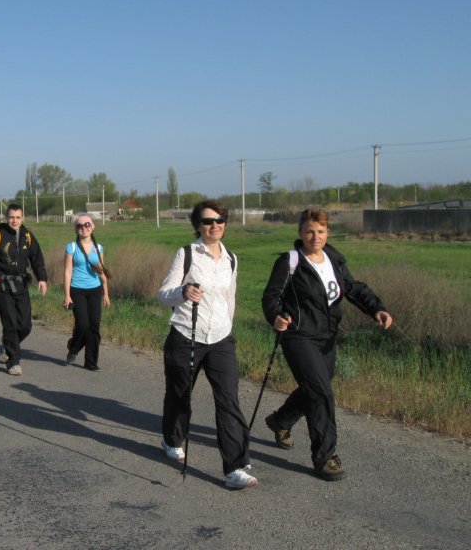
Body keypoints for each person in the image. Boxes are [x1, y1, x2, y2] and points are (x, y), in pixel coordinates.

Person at [261, 207, 393, 482]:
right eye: (310, 231)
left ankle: (281, 420)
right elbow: (271, 297)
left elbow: (352, 288)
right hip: (298, 336)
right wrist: (276, 316)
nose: (315, 236)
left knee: (315, 389)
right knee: (321, 393)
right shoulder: (290, 261)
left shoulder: (333, 258)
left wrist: (376, 308)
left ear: (327, 232)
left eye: (320, 231)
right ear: (300, 232)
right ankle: (325, 458)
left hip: (327, 336)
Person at [157, 200, 258, 490]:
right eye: (208, 221)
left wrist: (228, 328)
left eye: (220, 220)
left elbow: (230, 298)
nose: (215, 226)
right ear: (198, 226)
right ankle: (172, 439)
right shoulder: (187, 254)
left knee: (229, 401)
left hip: (221, 339)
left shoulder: (231, 259)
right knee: (180, 395)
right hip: (186, 335)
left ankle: (235, 467)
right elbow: (163, 295)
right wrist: (184, 291)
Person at [0, 203, 48, 376]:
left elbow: (37, 259)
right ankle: (13, 361)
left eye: (18, 217)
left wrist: (42, 278)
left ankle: (9, 343)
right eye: (11, 217)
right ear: (6, 217)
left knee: (25, 325)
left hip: (21, 284)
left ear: (22, 218)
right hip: (2, 285)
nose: (14, 221)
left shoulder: (28, 236)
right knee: (10, 323)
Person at [63, 214, 110, 371]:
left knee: (94, 327)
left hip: (95, 290)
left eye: (87, 225)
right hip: (77, 290)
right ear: (75, 229)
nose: (84, 228)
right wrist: (67, 295)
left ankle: (91, 362)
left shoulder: (99, 248)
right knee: (83, 325)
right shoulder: (71, 247)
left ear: (93, 226)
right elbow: (67, 272)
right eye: (79, 226)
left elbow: (101, 271)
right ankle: (74, 347)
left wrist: (106, 293)